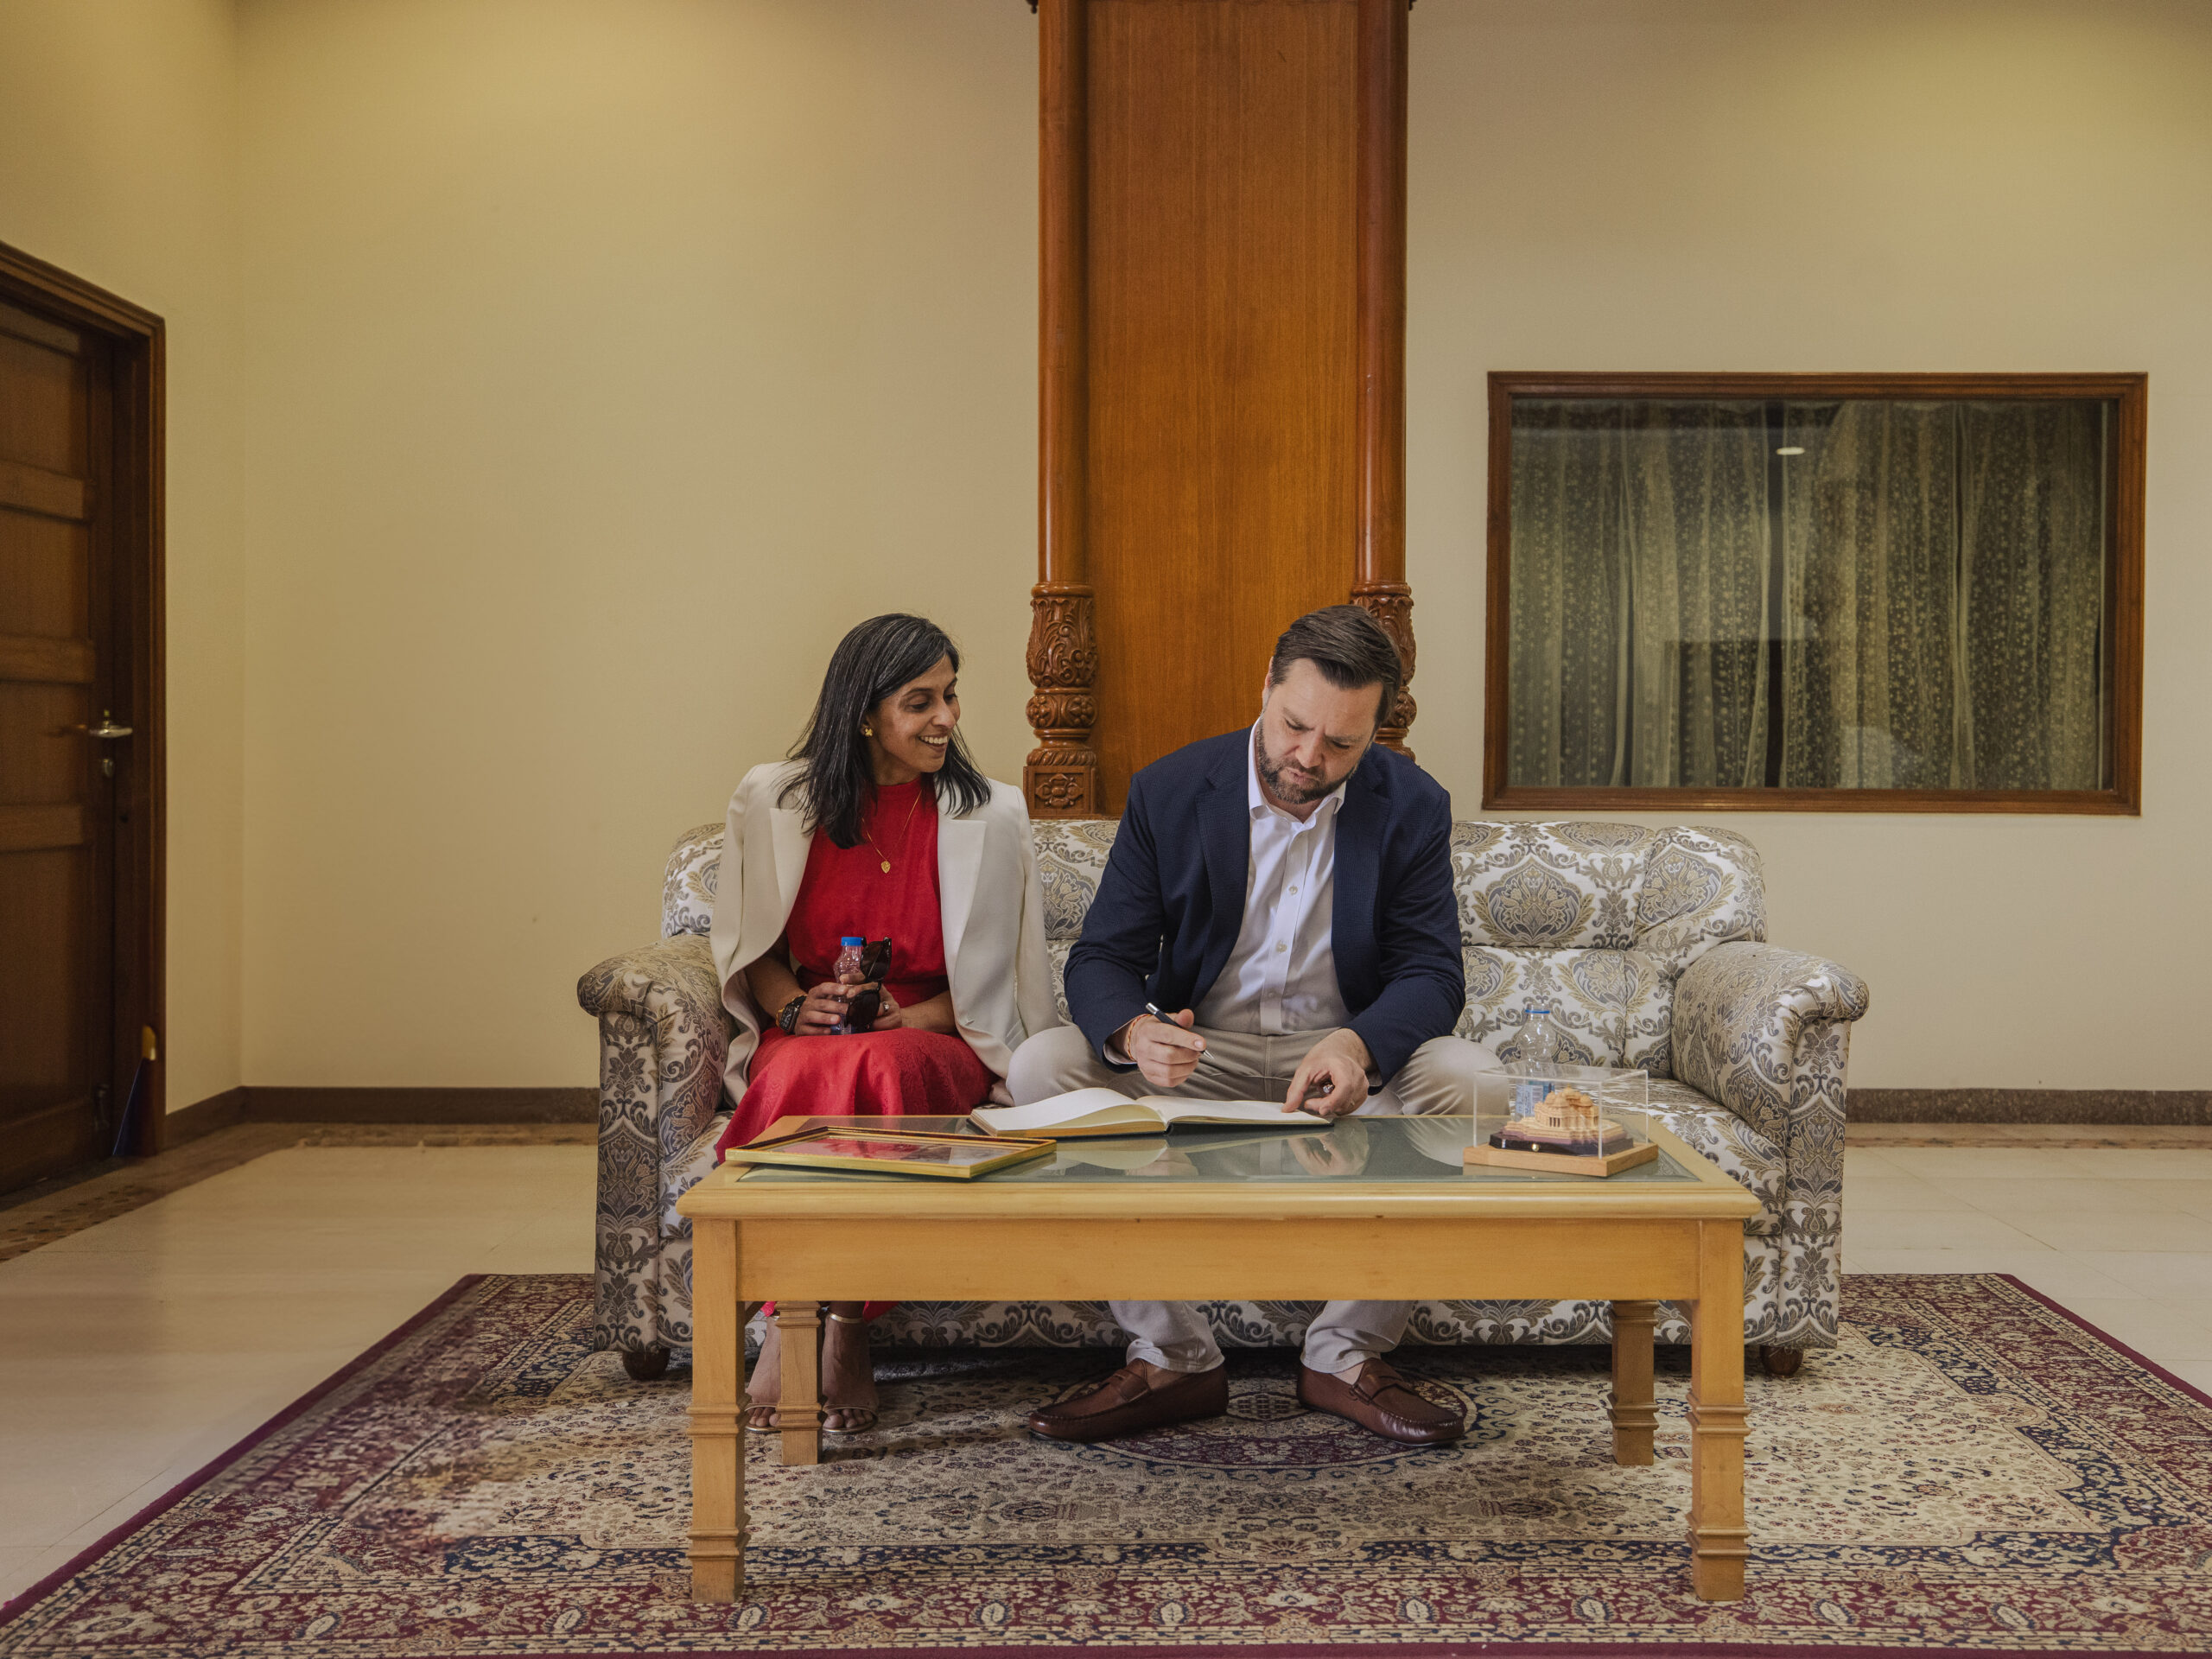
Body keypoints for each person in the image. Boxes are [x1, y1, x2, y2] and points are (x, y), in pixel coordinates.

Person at [1006, 605, 1498, 1447]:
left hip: (1340, 1060)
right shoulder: (1170, 789)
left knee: (1473, 1079)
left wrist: (1358, 1043)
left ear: (1376, 733)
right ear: (1265, 687)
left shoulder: (1412, 805)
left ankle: (1345, 1353)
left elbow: (1431, 971)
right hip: (1204, 1053)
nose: (1308, 757)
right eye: (1294, 726)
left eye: (1340, 743)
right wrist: (1132, 1032)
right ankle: (1173, 1357)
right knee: (1041, 1066)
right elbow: (1102, 958)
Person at [711, 613, 1059, 1433]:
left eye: (950, 696)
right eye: (920, 701)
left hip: (934, 1037)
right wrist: (793, 1007)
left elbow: (1001, 979)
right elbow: (753, 948)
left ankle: (831, 1325)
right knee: (817, 1065)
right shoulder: (775, 799)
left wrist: (912, 1013)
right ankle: (809, 1315)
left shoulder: (992, 813)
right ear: (865, 713)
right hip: (811, 1034)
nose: (946, 717)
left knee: (880, 1063)